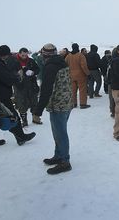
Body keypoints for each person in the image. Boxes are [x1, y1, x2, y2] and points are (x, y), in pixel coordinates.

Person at [33, 44, 73, 175]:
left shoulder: (50, 67)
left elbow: (46, 90)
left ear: (45, 55)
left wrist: (38, 111)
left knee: (60, 134)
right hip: (67, 102)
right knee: (59, 133)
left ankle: (65, 162)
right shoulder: (62, 62)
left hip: (58, 104)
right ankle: (58, 156)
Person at [0, 45, 36, 148]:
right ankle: (20, 137)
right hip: (0, 96)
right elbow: (7, 78)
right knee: (12, 116)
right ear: (5, 55)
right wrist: (17, 76)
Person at [13, 47, 41, 126]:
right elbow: (9, 72)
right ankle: (24, 121)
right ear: (19, 54)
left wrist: (32, 72)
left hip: (31, 84)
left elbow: (37, 69)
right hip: (19, 86)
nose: (24, 57)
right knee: (21, 102)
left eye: (26, 55)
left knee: (34, 102)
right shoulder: (14, 61)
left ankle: (35, 119)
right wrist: (17, 73)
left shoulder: (31, 61)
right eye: (23, 55)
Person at [65, 43, 91, 109]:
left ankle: (74, 103)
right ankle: (83, 104)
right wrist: (88, 73)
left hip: (71, 76)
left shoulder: (68, 56)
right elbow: (84, 66)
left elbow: (65, 65)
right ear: (78, 47)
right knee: (82, 90)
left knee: (73, 90)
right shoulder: (80, 55)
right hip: (81, 76)